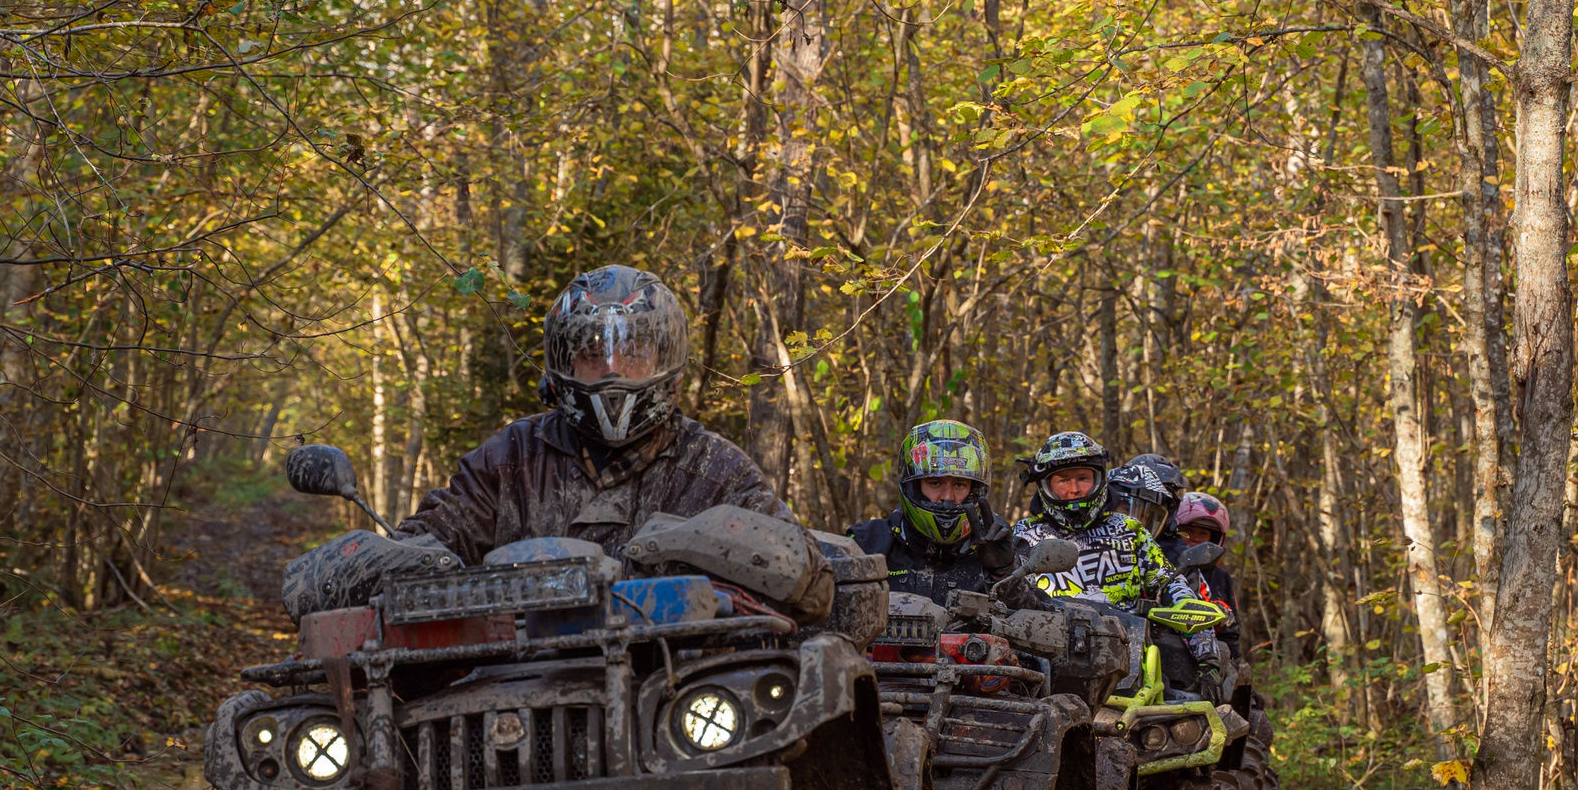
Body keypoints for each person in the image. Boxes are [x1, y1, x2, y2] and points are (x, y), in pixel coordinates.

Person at [282, 266, 823, 618]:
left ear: (667, 362)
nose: (613, 371)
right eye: (592, 355)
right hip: (508, 688)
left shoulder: (715, 471)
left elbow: (805, 578)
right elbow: (430, 542)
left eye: (633, 353)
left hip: (678, 699)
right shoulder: (510, 459)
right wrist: (380, 563)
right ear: (564, 366)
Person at [1010, 434, 1222, 644]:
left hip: (1127, 647)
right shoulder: (1024, 534)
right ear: (1046, 486)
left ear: (1099, 479)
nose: (1074, 489)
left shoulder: (1130, 529)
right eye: (1063, 480)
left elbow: (1168, 581)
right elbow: (1003, 593)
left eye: (1083, 478)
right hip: (1043, 648)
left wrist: (1186, 607)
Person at [849, 420, 1023, 604]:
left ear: (974, 491)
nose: (947, 497)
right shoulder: (866, 543)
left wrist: (1004, 575)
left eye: (959, 484)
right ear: (913, 487)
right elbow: (824, 609)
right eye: (935, 483)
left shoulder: (1001, 545)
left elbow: (1044, 621)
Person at [1168, 491, 1238, 615]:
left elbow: (1232, 630)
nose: (1195, 538)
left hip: (1206, 633)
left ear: (1213, 540)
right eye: (1189, 531)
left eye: (1203, 534)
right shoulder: (1161, 564)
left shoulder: (1220, 576)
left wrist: (1221, 614)